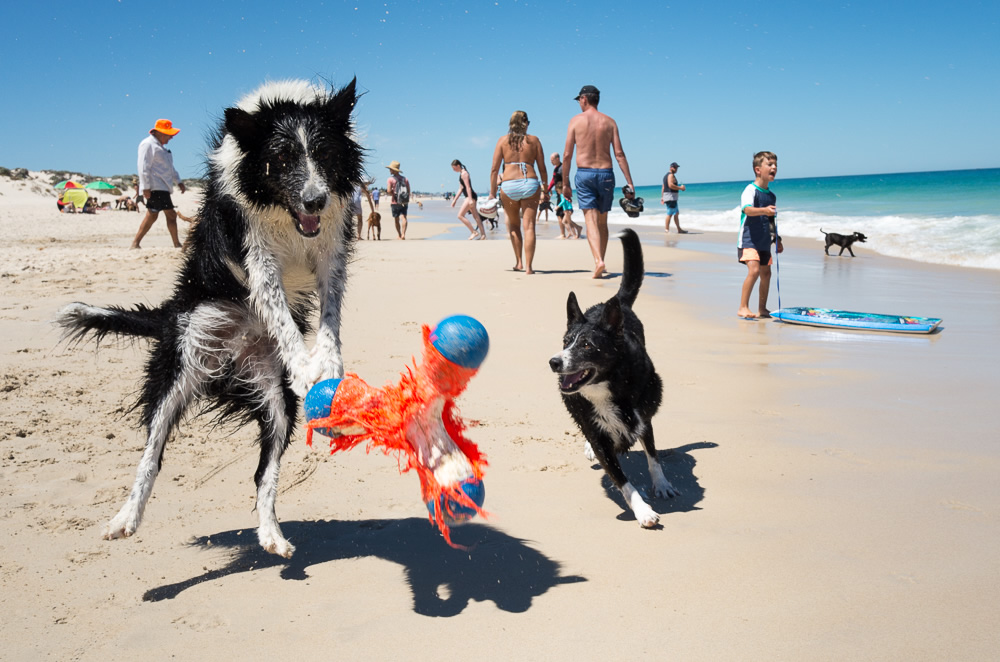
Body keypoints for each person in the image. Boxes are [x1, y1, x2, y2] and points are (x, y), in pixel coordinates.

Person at [562, 85, 636, 278]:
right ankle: (601, 259)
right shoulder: (610, 122)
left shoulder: (575, 121)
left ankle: (598, 261)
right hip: (606, 174)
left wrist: (565, 182)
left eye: (579, 100)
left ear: (584, 99)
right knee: (602, 221)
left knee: (590, 220)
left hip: (585, 174)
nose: (579, 103)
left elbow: (568, 154)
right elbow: (619, 154)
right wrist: (630, 182)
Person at [490, 110, 548, 274]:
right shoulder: (534, 141)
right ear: (526, 123)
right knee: (529, 226)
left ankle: (519, 262)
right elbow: (543, 169)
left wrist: (492, 193)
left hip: (508, 186)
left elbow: (494, 170)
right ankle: (529, 267)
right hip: (530, 183)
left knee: (514, 225)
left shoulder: (502, 141)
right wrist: (545, 189)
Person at [737, 151, 783, 319]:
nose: (774, 168)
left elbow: (771, 221)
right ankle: (743, 307)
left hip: (764, 241)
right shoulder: (750, 190)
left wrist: (777, 239)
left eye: (775, 165)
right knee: (754, 270)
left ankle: (762, 309)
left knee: (766, 273)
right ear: (758, 169)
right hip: (749, 239)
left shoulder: (771, 196)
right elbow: (747, 210)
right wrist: (764, 210)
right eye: (769, 165)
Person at [131, 119, 185, 249]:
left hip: (164, 187)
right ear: (161, 133)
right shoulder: (147, 144)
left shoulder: (163, 149)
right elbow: (143, 166)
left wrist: (179, 181)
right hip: (155, 186)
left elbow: (170, 168)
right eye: (169, 134)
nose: (171, 137)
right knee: (166, 215)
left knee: (154, 215)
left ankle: (136, 243)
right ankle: (176, 244)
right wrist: (145, 187)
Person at [548, 152, 581, 239]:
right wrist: (548, 189)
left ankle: (563, 234)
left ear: (557, 159)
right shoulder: (556, 169)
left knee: (560, 214)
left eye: (552, 160)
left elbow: (566, 180)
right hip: (559, 193)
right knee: (563, 216)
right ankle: (577, 228)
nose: (551, 162)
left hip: (563, 194)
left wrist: (567, 194)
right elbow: (553, 180)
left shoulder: (562, 168)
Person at [450, 160, 486, 239]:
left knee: (460, 215)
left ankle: (474, 232)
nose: (453, 170)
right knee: (476, 216)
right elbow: (461, 188)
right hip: (470, 196)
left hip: (470, 196)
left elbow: (468, 187)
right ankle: (483, 235)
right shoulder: (461, 174)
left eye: (454, 168)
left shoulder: (464, 173)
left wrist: (470, 199)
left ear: (458, 166)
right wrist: (454, 200)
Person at [386, 161, 409, 239]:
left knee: (396, 219)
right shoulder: (405, 179)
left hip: (395, 202)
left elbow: (388, 191)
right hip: (404, 202)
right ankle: (403, 234)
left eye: (391, 169)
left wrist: (393, 192)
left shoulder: (390, 179)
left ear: (394, 170)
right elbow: (408, 191)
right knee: (404, 218)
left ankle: (399, 235)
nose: (389, 170)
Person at [662, 161, 687, 233]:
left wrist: (662, 197)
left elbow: (663, 187)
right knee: (670, 214)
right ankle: (667, 230)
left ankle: (679, 229)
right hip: (671, 197)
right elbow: (670, 185)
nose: (676, 169)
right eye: (675, 167)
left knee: (676, 213)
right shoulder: (670, 175)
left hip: (669, 197)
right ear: (671, 167)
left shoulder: (666, 176)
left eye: (677, 168)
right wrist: (681, 188)